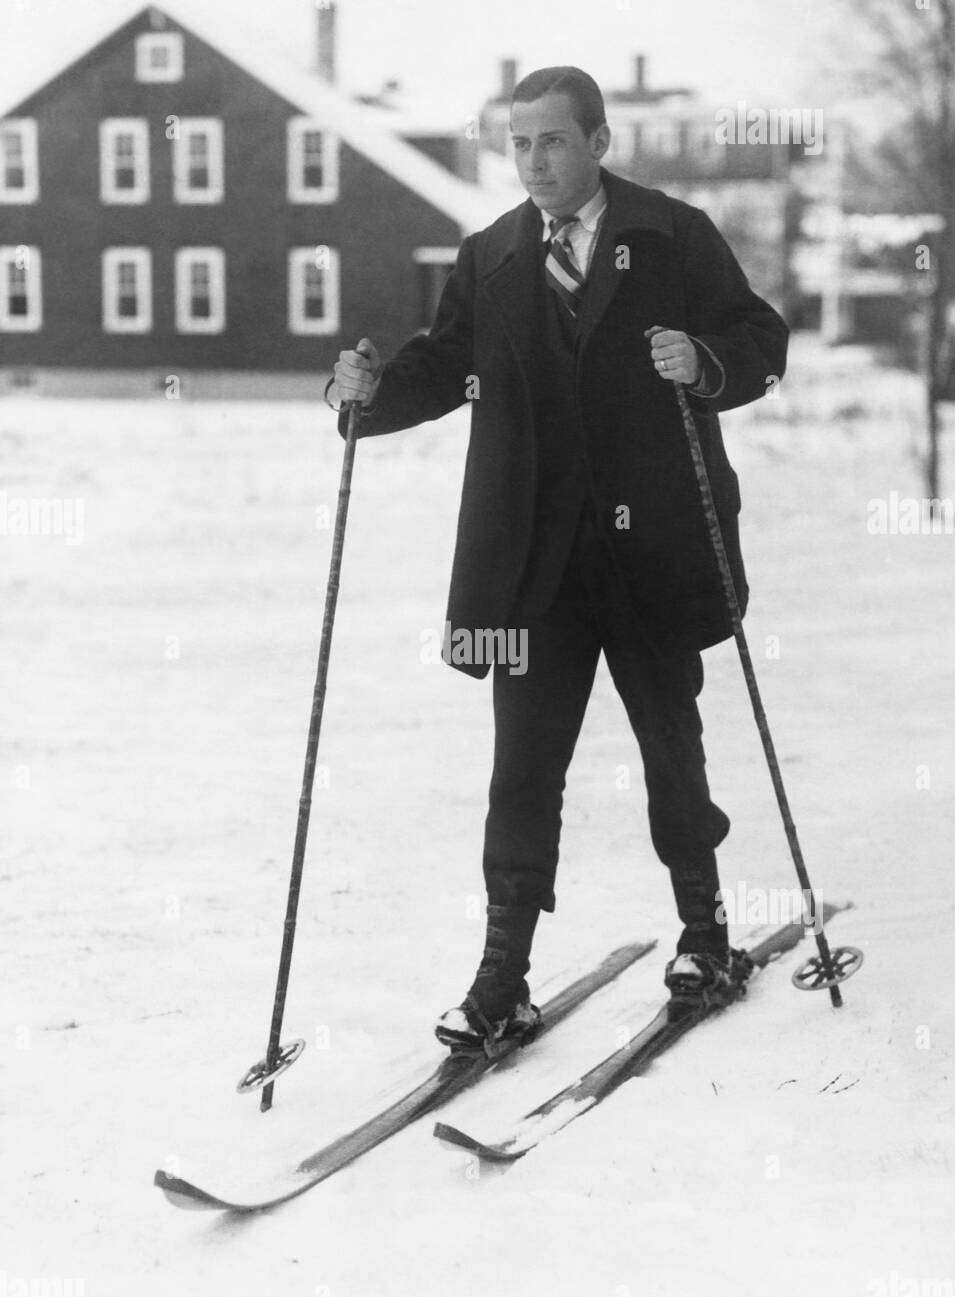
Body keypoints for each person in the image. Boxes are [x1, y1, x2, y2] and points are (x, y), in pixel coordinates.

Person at [327, 66, 789, 1050]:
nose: (533, 160)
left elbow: (759, 333)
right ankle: (503, 978)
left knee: (671, 745)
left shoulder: (672, 235)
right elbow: (447, 363)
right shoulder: (491, 252)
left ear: (599, 142)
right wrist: (370, 394)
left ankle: (704, 933)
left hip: (651, 550)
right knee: (522, 770)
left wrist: (706, 362)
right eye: (520, 142)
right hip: (527, 564)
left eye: (553, 141)